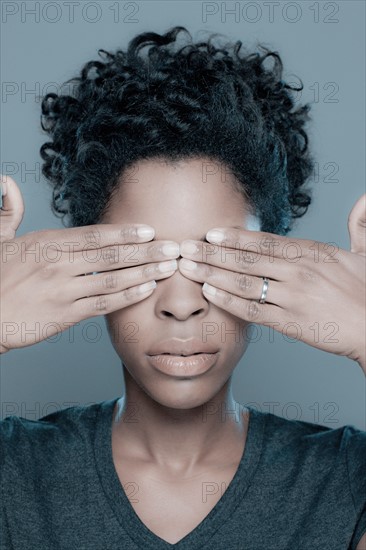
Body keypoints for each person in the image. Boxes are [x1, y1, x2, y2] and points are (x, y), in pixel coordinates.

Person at [1, 26, 365, 549]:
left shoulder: (343, 478)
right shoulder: (15, 472)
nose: (180, 305)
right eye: (146, 261)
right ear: (91, 260)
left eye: (214, 259)